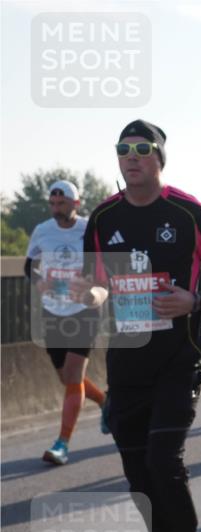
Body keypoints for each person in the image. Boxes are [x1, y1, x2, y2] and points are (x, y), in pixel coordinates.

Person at [71, 119, 201, 532]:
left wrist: (195, 301)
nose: (132, 156)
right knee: (136, 471)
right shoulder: (103, 217)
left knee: (163, 459)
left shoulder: (188, 213)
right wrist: (92, 291)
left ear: (159, 158)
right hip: (127, 363)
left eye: (142, 148)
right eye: (123, 149)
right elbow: (99, 281)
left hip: (179, 358)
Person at [25, 180, 108, 465]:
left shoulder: (89, 229)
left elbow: (105, 264)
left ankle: (62, 444)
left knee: (73, 375)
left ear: (76, 203)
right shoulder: (42, 231)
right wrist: (38, 282)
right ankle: (106, 402)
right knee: (66, 377)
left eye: (62, 203)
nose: (56, 209)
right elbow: (29, 264)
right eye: (52, 204)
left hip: (83, 309)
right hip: (52, 310)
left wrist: (92, 283)